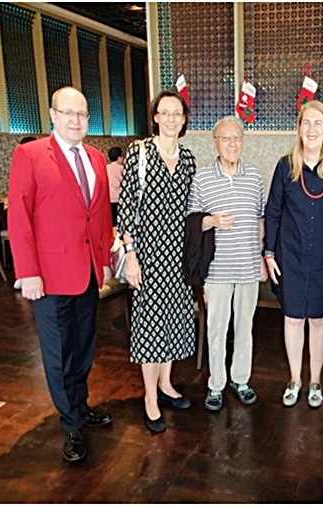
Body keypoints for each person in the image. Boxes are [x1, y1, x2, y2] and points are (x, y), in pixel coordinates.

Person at [8, 86, 114, 462]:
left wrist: (103, 260)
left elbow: (99, 215)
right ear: (52, 115)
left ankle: (81, 405)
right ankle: (70, 424)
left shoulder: (96, 158)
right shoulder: (31, 154)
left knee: (84, 347)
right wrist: (28, 272)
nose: (75, 120)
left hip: (87, 272)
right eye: (68, 113)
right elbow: (18, 217)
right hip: (49, 276)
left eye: (82, 114)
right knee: (58, 354)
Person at [117, 89, 197, 433]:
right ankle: (150, 397)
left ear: (183, 120)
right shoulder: (140, 153)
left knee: (173, 323)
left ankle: (166, 384)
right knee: (150, 327)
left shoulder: (189, 158)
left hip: (178, 256)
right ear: (155, 117)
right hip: (148, 255)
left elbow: (193, 211)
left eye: (176, 113)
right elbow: (126, 206)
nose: (170, 119)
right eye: (164, 113)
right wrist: (131, 255)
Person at [264, 100, 323, 408]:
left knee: (318, 320)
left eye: (318, 123)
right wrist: (269, 252)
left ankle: (315, 381)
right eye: (306, 123)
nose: (312, 129)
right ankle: (294, 379)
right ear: (299, 128)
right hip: (291, 256)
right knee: (291, 319)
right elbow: (273, 211)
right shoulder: (285, 165)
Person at [187, 115, 267, 411]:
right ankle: (216, 384)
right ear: (215, 143)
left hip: (247, 266)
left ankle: (241, 379)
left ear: (242, 142)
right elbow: (192, 222)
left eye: (237, 138)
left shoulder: (254, 176)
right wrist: (211, 220)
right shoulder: (203, 179)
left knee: (245, 326)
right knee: (216, 328)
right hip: (217, 270)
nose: (232, 143)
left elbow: (260, 219)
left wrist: (260, 256)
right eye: (225, 138)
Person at [106, 146, 124, 225]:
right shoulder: (121, 168)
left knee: (111, 218)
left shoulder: (106, 167)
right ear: (119, 157)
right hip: (119, 198)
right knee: (119, 217)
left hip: (108, 198)